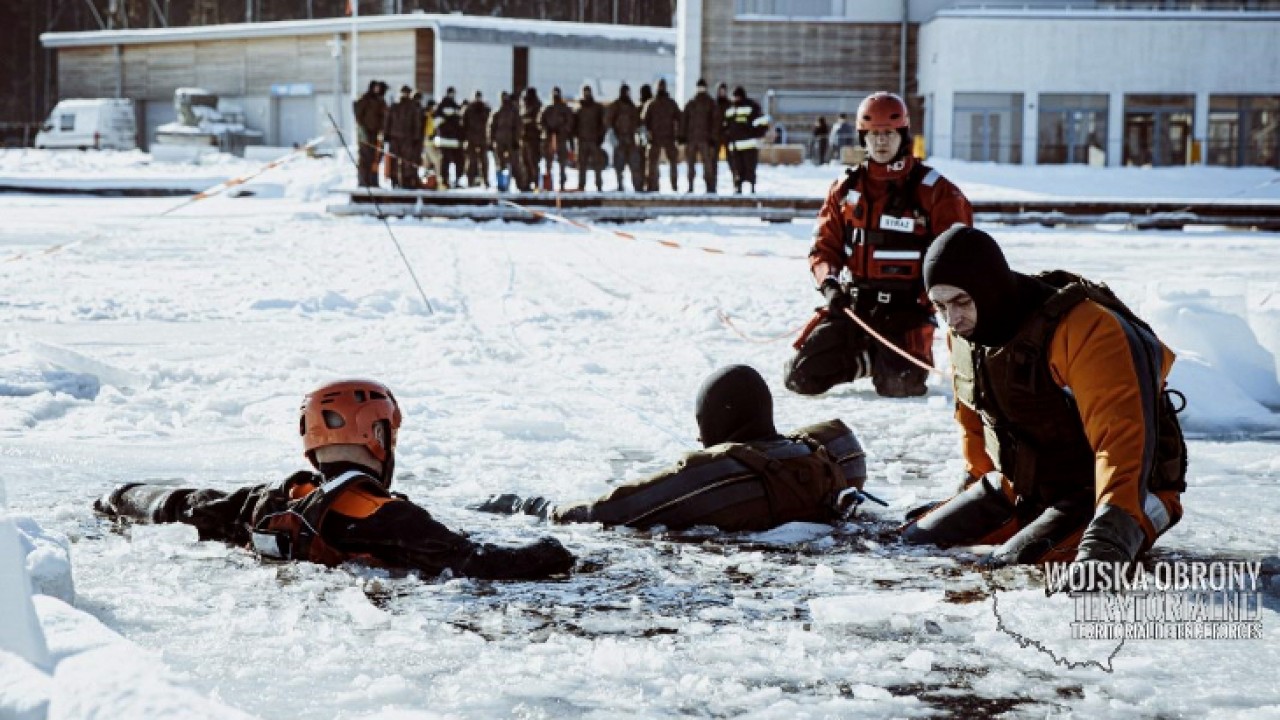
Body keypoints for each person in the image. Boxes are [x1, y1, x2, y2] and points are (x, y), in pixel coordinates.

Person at [901, 226, 1188, 571]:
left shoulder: (1083, 329)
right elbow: (971, 417)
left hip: (1112, 492)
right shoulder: (966, 332)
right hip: (1026, 487)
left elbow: (1122, 438)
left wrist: (1111, 534)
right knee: (911, 547)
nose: (952, 318)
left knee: (1007, 568)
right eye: (940, 305)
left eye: (961, 301)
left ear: (989, 288)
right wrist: (974, 490)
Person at [94, 379, 575, 580]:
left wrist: (118, 496)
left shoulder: (269, 499)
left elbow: (182, 505)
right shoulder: (395, 517)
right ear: (380, 434)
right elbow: (483, 563)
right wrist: (558, 551)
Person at [473, 365, 878, 532]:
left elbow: (615, 511)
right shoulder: (828, 455)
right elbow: (846, 450)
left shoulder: (708, 474)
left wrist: (534, 507)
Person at [784, 91, 973, 399]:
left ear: (902, 135)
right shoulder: (845, 190)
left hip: (907, 310)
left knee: (899, 386)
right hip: (856, 307)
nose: (881, 142)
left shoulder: (935, 191)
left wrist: (932, 300)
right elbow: (823, 247)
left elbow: (960, 253)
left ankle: (885, 360)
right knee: (800, 376)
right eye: (873, 134)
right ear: (863, 137)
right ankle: (866, 358)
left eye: (888, 133)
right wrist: (829, 285)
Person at [722, 86, 767, 194]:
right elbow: (725, 125)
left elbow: (762, 122)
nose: (735, 99)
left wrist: (755, 134)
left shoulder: (751, 106)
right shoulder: (730, 109)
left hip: (749, 145)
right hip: (735, 146)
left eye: (737, 97)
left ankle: (751, 187)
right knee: (737, 168)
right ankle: (738, 187)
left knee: (749, 167)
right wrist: (727, 137)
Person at [641, 78, 681, 193]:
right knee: (653, 164)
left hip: (666, 138)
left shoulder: (664, 103)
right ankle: (654, 186)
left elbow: (679, 118)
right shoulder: (652, 103)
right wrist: (647, 136)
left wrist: (678, 135)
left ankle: (672, 186)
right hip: (656, 139)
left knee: (669, 163)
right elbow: (644, 122)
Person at [680, 78, 719, 194]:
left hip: (704, 139)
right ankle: (691, 186)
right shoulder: (691, 103)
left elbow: (715, 121)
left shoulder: (710, 103)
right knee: (692, 164)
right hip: (694, 139)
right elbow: (684, 120)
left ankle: (710, 188)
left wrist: (713, 138)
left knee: (707, 164)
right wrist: (682, 136)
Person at [605, 84, 642, 192]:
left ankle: (637, 187)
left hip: (631, 141)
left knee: (635, 164)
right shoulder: (615, 106)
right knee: (619, 165)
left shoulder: (632, 107)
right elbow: (608, 121)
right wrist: (611, 133)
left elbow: (637, 121)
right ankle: (620, 185)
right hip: (619, 140)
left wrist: (639, 133)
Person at [384, 86, 421, 189]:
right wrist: (386, 135)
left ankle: (403, 181)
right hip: (398, 137)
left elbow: (416, 123)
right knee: (398, 160)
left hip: (404, 138)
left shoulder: (410, 107)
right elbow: (388, 121)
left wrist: (416, 137)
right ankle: (397, 180)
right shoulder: (396, 106)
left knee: (405, 161)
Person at [538, 87, 574, 191]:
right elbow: (540, 121)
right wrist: (547, 130)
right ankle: (548, 184)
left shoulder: (565, 108)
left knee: (562, 162)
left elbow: (570, 122)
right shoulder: (547, 108)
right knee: (548, 163)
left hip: (561, 138)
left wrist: (562, 130)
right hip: (549, 139)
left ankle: (562, 183)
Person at [353, 80, 387, 187]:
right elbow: (358, 114)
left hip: (376, 134)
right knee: (365, 158)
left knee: (375, 158)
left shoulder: (380, 101)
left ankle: (373, 181)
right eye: (375, 87)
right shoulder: (365, 99)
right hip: (365, 133)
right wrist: (361, 130)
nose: (377, 90)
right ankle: (363, 182)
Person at [574, 84, 607, 192]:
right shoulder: (579, 109)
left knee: (597, 165)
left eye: (588, 91)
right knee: (582, 165)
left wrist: (601, 137)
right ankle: (581, 185)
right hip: (582, 141)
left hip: (594, 141)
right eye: (585, 92)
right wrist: (576, 137)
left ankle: (599, 185)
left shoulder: (597, 108)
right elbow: (574, 124)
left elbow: (603, 124)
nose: (587, 94)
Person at [489, 91, 522, 191]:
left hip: (506, 141)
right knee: (506, 164)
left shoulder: (502, 111)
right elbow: (491, 128)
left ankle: (505, 184)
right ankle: (504, 184)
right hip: (505, 141)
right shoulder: (502, 112)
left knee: (506, 164)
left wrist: (491, 141)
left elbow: (517, 127)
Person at [432, 87, 464, 188]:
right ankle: (457, 180)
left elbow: (435, 123)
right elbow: (460, 124)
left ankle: (444, 181)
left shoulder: (440, 107)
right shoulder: (456, 107)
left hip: (443, 139)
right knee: (457, 161)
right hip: (454, 140)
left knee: (445, 162)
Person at [461, 89, 491, 188]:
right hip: (480, 137)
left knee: (473, 161)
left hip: (473, 137)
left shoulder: (468, 109)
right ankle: (482, 180)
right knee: (480, 161)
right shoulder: (485, 108)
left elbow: (463, 124)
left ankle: (472, 181)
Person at [519, 87, 543, 192]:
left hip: (534, 140)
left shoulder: (537, 107)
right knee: (524, 162)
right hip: (524, 139)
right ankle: (526, 183)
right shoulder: (523, 107)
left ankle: (536, 184)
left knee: (533, 162)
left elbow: (538, 122)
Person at [420, 98, 442, 189]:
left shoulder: (427, 115)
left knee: (426, 163)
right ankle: (437, 180)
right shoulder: (428, 116)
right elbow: (429, 130)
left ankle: (427, 181)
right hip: (428, 142)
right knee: (437, 161)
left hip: (427, 143)